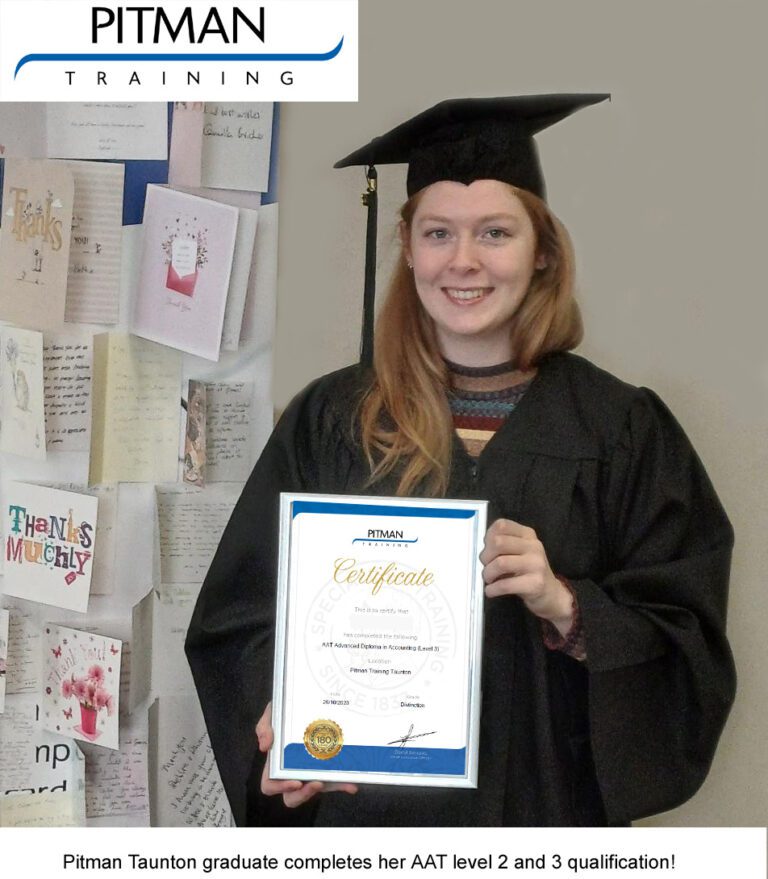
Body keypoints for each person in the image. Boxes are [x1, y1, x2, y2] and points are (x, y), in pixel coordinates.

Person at [186, 94, 736, 827]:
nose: (463, 260)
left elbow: (687, 640)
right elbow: (242, 616)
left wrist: (569, 608)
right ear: (408, 245)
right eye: (438, 232)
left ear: (542, 250)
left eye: (495, 233)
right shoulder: (334, 418)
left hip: (544, 822)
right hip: (371, 824)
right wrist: (280, 719)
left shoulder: (620, 429)